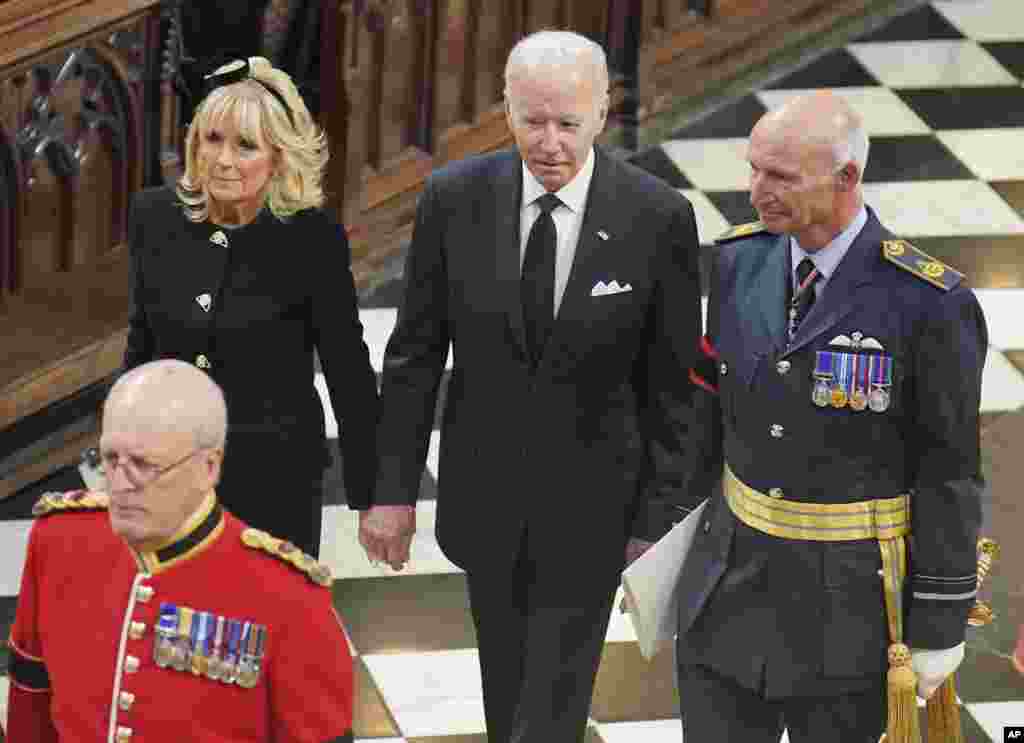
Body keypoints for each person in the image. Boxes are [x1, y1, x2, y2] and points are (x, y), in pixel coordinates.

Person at [359, 30, 703, 743]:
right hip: (486, 500)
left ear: (603, 115)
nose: (549, 142)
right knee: (507, 682)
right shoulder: (453, 199)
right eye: (532, 120)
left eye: (568, 124)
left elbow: (673, 389)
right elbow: (415, 355)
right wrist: (391, 491)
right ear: (505, 109)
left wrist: (656, 522)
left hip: (596, 510)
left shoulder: (657, 216)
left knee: (552, 696)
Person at [675, 91, 987, 742]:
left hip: (850, 618)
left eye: (781, 175)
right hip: (726, 593)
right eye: (753, 168)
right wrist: (662, 544)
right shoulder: (737, 262)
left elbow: (949, 472)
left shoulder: (928, 303)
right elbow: (709, 420)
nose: (757, 190)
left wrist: (939, 623)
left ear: (847, 177)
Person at [5, 360, 354, 742]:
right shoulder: (59, 542)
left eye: (143, 465)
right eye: (109, 459)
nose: (120, 484)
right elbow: (31, 699)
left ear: (209, 467)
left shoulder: (289, 599)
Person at [123, 56, 378, 558]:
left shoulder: (311, 238)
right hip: (172, 475)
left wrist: (375, 494)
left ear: (279, 157)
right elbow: (141, 347)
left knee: (267, 631)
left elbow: (347, 369)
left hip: (273, 482)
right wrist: (125, 459)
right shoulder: (154, 216)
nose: (223, 160)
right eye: (212, 140)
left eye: (245, 146)